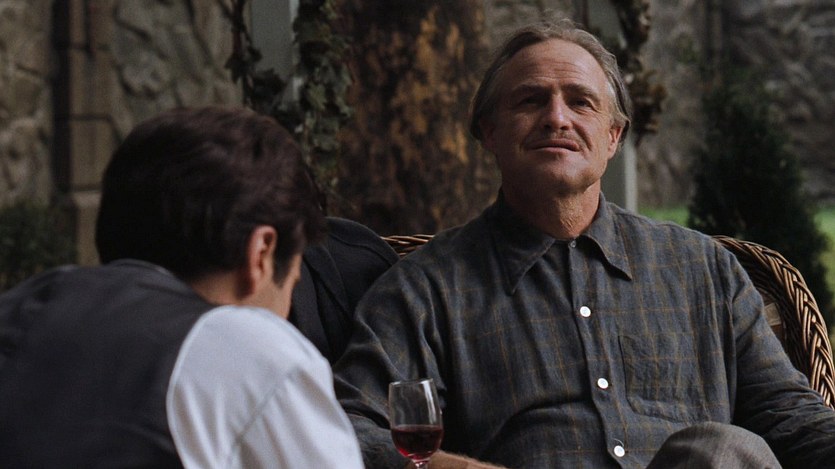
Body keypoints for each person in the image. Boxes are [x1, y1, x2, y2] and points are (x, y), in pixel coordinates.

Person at [332, 19, 835, 468]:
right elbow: (349, 430)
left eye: (580, 101)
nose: (557, 118)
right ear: (489, 132)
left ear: (613, 136)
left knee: (718, 451)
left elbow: (789, 416)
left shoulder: (704, 269)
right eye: (531, 100)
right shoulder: (424, 290)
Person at [0, 106, 364, 468]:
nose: (287, 315)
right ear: (261, 253)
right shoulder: (251, 354)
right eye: (293, 285)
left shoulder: (22, 306)